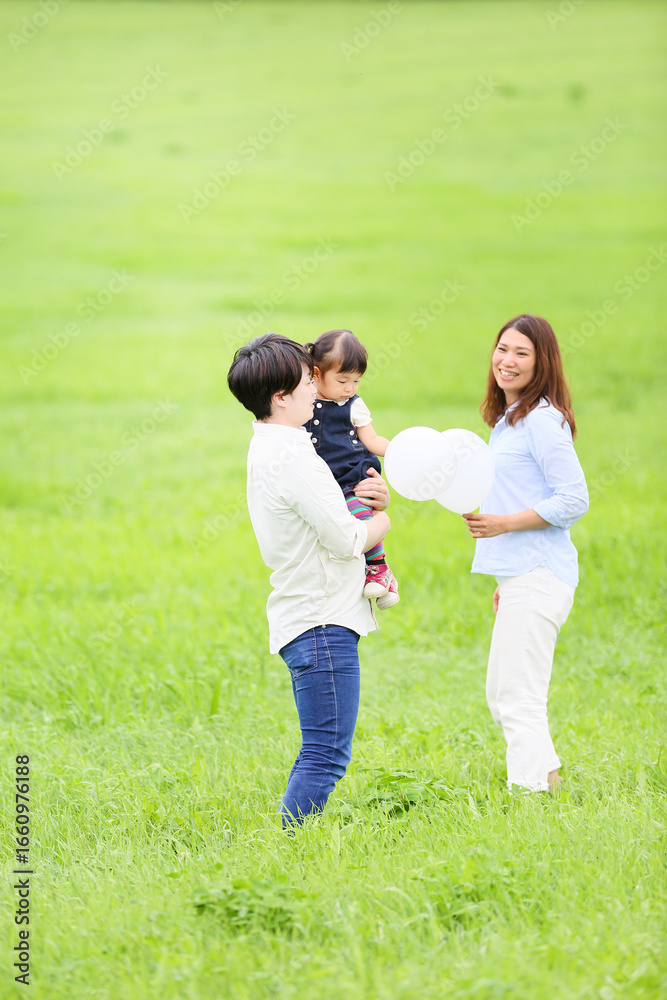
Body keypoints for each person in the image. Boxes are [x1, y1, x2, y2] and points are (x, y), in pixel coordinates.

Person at [227, 333, 391, 826]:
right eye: (306, 382)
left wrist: (372, 499)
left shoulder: (275, 445)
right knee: (325, 754)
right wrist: (383, 522)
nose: (316, 390)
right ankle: (289, 851)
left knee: (323, 750)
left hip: (309, 616)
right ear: (280, 397)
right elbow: (347, 539)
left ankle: (291, 850)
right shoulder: (294, 459)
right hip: (321, 622)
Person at [462, 314, 588, 793]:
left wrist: (503, 525)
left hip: (540, 573)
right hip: (520, 577)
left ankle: (529, 799)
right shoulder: (507, 422)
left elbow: (574, 498)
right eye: (502, 349)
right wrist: (504, 580)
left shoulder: (541, 421)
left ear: (542, 363)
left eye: (521, 353)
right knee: (502, 694)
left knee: (518, 697)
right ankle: (550, 782)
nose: (507, 361)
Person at [303, 329, 399, 609]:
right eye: (342, 380)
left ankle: (379, 567)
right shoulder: (303, 400)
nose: (350, 388)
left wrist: (401, 450)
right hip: (324, 477)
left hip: (352, 472)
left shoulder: (353, 406)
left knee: (358, 515)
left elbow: (371, 440)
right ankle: (384, 580)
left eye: (356, 381)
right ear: (317, 374)